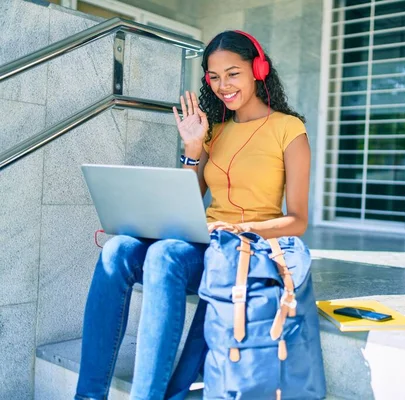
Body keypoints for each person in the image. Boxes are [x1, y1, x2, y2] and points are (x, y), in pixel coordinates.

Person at [74, 29, 311, 400]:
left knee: (164, 256)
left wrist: (233, 227)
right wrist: (192, 148)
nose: (223, 86)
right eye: (214, 77)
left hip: (245, 251)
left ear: (258, 69)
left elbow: (297, 220)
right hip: (207, 245)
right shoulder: (213, 131)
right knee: (117, 249)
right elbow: (187, 196)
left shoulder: (288, 129)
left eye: (233, 73)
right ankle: (87, 396)